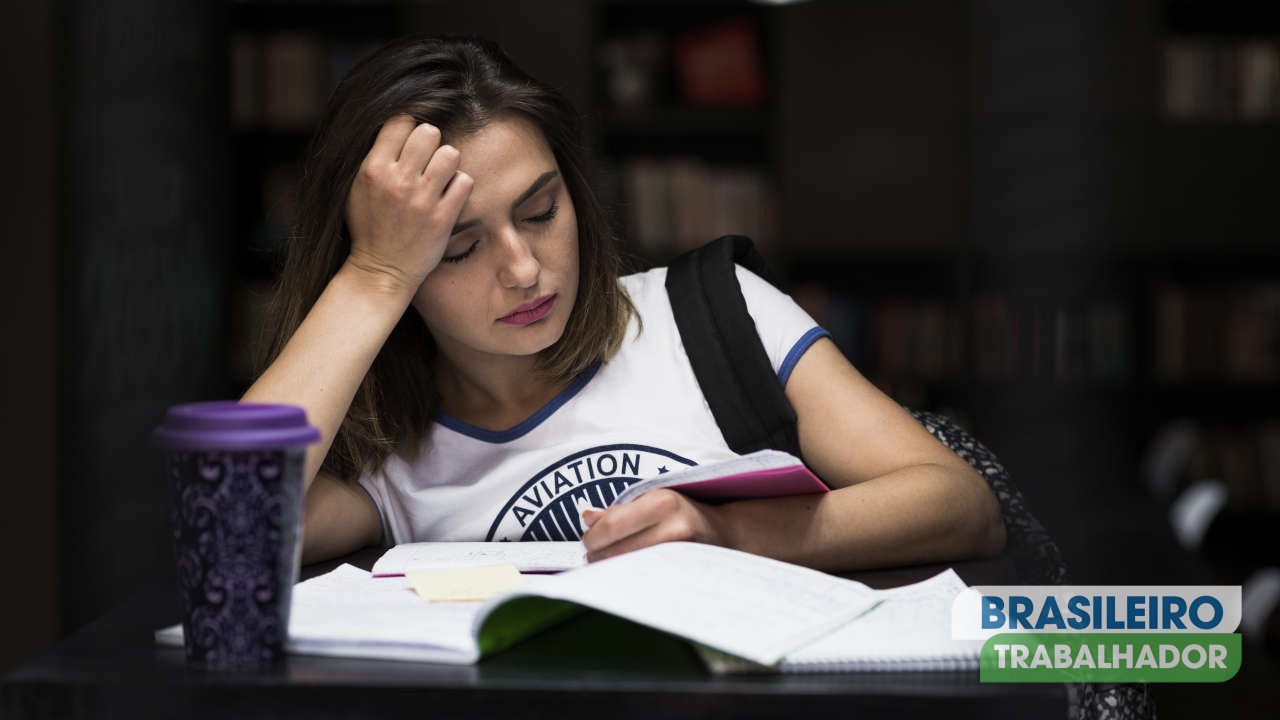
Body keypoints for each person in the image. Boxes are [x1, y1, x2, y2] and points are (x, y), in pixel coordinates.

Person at [244, 35, 1005, 570]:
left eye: (541, 212)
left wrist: (726, 532)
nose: (522, 269)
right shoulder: (391, 462)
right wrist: (373, 274)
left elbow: (959, 505)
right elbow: (233, 530)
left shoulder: (711, 314)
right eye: (458, 249)